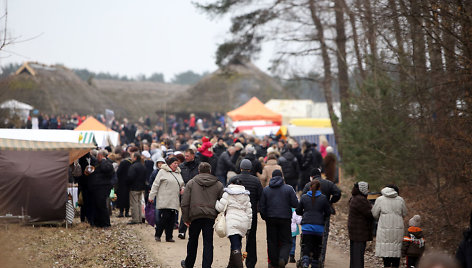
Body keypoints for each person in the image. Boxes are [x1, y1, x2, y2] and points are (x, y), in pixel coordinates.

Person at [180, 162, 224, 268]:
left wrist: (185, 218)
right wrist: (217, 214)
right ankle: (206, 265)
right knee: (208, 242)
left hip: (195, 215)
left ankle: (189, 264)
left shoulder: (191, 183)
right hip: (210, 216)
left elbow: (185, 202)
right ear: (210, 171)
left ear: (198, 171)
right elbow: (222, 202)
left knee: (192, 240)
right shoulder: (218, 184)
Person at [302, 168, 341, 266]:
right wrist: (331, 202)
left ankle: (308, 258)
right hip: (324, 213)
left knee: (308, 238)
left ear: (312, 176)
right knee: (323, 237)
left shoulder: (308, 185)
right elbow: (338, 193)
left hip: (309, 215)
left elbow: (303, 199)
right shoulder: (329, 183)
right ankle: (320, 259)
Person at [260, 170, 299, 267]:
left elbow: (261, 206)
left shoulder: (266, 190)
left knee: (272, 241)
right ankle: (282, 258)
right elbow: (295, 204)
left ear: (272, 177)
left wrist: (265, 217)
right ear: (282, 177)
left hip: (270, 219)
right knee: (286, 241)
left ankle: (273, 263)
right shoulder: (289, 189)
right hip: (285, 218)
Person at [231, 159, 263, 268]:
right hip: (251, 213)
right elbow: (261, 197)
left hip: (235, 213)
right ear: (250, 169)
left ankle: (236, 262)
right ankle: (250, 263)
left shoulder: (233, 179)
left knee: (236, 239)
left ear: (240, 168)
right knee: (251, 238)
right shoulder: (256, 181)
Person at [215, 178, 252, 268]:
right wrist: (248, 227)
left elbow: (220, 208)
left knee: (235, 247)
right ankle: (231, 266)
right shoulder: (246, 195)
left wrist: (216, 202)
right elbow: (249, 212)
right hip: (243, 222)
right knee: (237, 244)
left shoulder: (227, 193)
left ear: (231, 183)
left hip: (232, 222)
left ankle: (239, 266)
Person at [296, 180, 331, 268]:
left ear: (310, 187)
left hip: (307, 226)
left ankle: (305, 261)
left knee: (306, 245)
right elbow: (328, 212)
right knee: (317, 246)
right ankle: (315, 263)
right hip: (318, 227)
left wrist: (304, 214)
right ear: (319, 188)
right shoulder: (323, 198)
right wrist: (323, 216)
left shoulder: (304, 197)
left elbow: (298, 211)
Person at [148, 157, 184, 242]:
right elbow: (155, 184)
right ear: (170, 164)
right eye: (174, 163)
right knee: (165, 217)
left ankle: (169, 236)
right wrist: (151, 196)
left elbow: (181, 183)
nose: (176, 165)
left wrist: (182, 189)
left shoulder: (178, 173)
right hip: (164, 199)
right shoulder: (162, 172)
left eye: (177, 163)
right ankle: (158, 234)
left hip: (174, 199)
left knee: (172, 219)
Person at [372, 185, 407, 268]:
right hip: (398, 228)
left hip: (384, 227)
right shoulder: (400, 200)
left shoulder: (380, 199)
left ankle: (386, 265)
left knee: (386, 249)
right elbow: (404, 213)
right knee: (396, 249)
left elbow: (374, 214)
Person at [348, 182, 374, 268]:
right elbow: (370, 213)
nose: (369, 191)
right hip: (359, 232)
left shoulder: (355, 198)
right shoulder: (361, 200)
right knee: (358, 256)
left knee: (355, 256)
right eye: (367, 189)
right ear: (363, 189)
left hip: (355, 231)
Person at [87, 149, 115, 227]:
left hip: (102, 187)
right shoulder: (98, 163)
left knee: (102, 205)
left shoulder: (106, 163)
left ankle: (106, 223)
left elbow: (106, 170)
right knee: (98, 205)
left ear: (100, 155)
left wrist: (102, 161)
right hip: (97, 187)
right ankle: (99, 222)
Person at [178, 149, 201, 239]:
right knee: (185, 210)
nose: (185, 157)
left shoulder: (199, 166)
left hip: (196, 191)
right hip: (184, 191)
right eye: (185, 155)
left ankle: (193, 231)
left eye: (187, 156)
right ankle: (182, 231)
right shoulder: (181, 166)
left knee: (195, 211)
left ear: (193, 155)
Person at [127, 152, 147, 224]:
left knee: (134, 204)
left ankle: (135, 219)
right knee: (139, 203)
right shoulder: (143, 166)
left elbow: (130, 177)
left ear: (135, 158)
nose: (131, 158)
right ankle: (140, 218)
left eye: (132, 157)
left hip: (134, 187)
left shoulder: (133, 166)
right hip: (142, 187)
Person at [116, 151, 133, 217]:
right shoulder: (131, 162)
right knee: (127, 198)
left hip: (122, 182)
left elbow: (118, 172)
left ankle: (121, 212)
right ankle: (127, 212)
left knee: (121, 198)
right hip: (129, 182)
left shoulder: (123, 162)